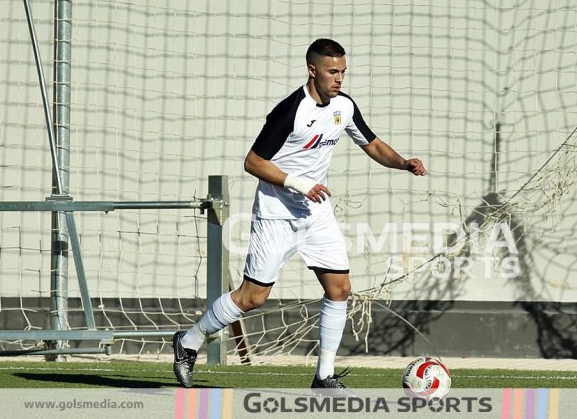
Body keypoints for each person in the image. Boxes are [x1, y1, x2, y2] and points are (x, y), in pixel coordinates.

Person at [172, 38, 427, 391]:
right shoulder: (290, 111)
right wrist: (299, 183)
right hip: (277, 214)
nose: (339, 79)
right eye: (332, 71)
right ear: (312, 70)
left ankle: (323, 375)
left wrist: (402, 162)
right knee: (253, 297)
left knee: (340, 288)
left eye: (343, 72)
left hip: (317, 213)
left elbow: (372, 143)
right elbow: (253, 162)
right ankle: (188, 342)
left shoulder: (344, 106)